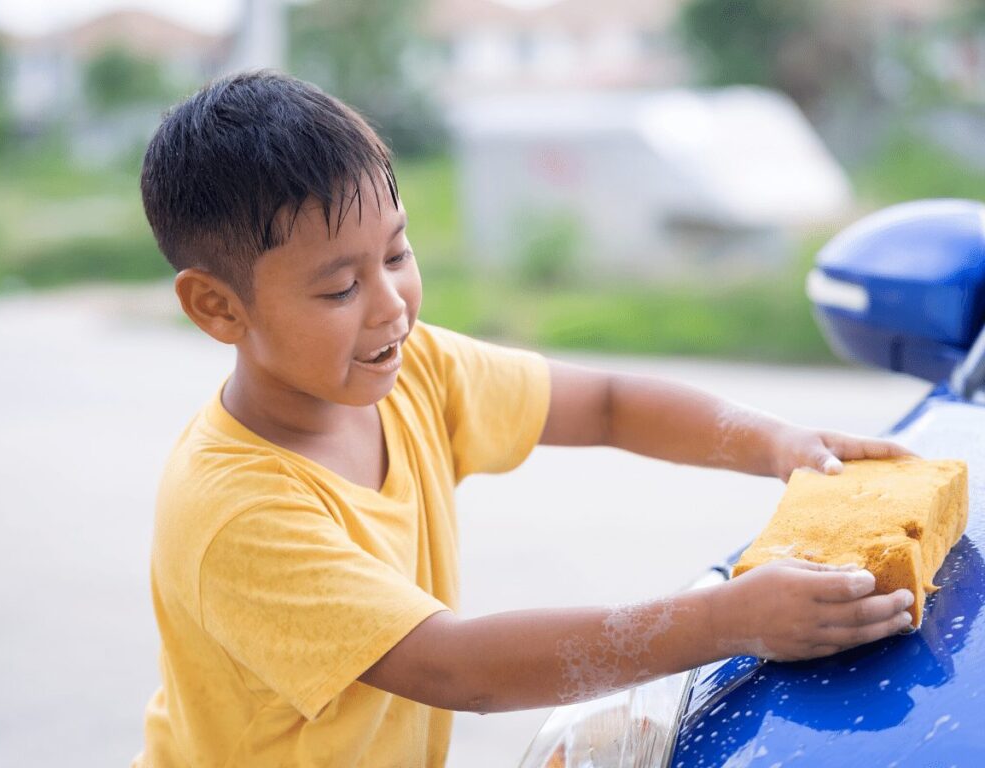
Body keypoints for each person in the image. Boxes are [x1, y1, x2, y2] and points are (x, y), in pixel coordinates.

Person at [132, 71, 915, 768]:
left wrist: (777, 443)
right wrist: (728, 621)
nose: (392, 306)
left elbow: (604, 403)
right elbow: (453, 667)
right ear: (217, 306)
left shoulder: (413, 369)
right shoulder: (236, 511)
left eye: (397, 255)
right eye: (340, 289)